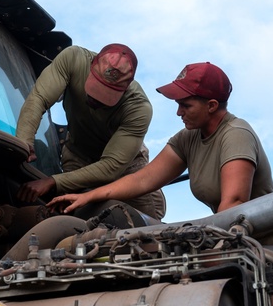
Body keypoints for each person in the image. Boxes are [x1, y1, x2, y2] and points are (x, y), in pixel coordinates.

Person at [48, 61, 273, 244]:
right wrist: (87, 197)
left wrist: (205, 246)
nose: (178, 112)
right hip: (236, 240)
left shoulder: (236, 134)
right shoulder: (188, 138)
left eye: (185, 105)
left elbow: (233, 205)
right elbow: (144, 179)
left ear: (212, 105)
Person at [14, 43, 166, 219]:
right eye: (96, 87)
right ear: (92, 64)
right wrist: (25, 140)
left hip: (124, 166)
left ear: (125, 89)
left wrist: (53, 181)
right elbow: (39, 98)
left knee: (145, 223)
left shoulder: (138, 108)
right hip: (78, 154)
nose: (96, 98)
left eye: (107, 94)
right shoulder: (73, 59)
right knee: (64, 212)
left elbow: (111, 166)